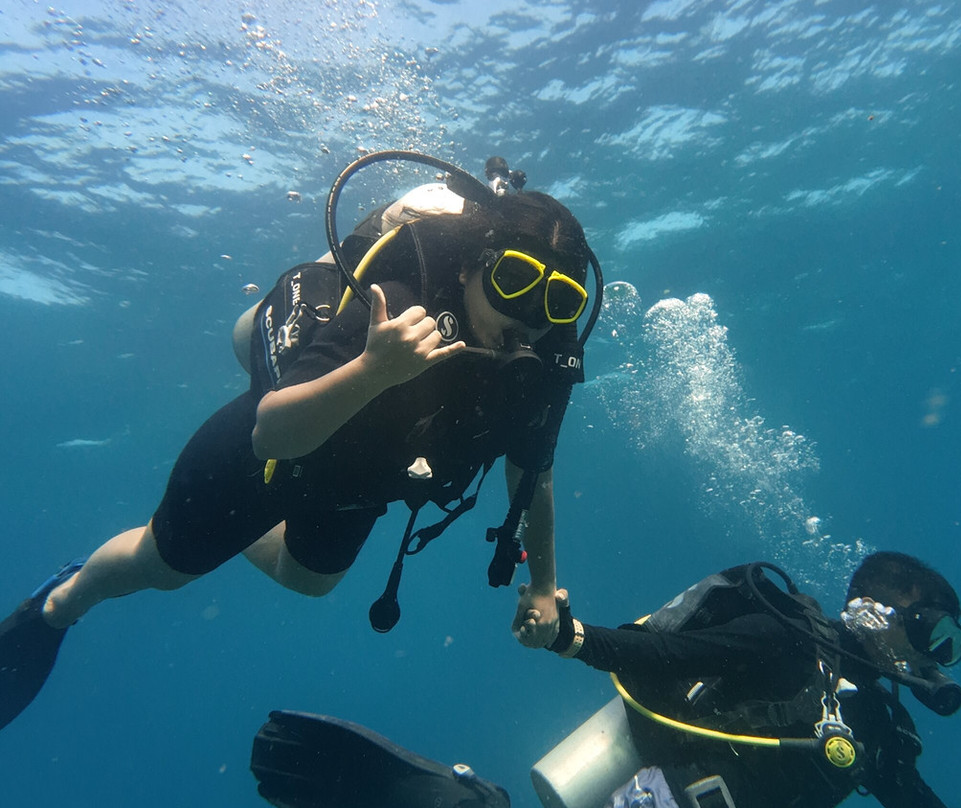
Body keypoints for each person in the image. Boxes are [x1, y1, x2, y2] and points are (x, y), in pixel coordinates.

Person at [0, 152, 601, 731]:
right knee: (161, 565)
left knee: (310, 579)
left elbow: (532, 472)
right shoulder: (395, 301)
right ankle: (60, 605)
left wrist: (545, 587)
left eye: (559, 300)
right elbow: (271, 434)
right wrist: (373, 370)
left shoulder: (544, 357)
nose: (530, 315)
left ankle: (228, 528)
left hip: (362, 477)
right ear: (470, 265)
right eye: (514, 280)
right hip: (283, 442)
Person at [249, 552, 961, 808]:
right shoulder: (789, 634)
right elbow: (670, 658)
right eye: (935, 631)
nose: (938, 656)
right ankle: (458, 799)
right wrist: (577, 640)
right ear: (878, 611)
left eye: (950, 645)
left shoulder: (884, 728)